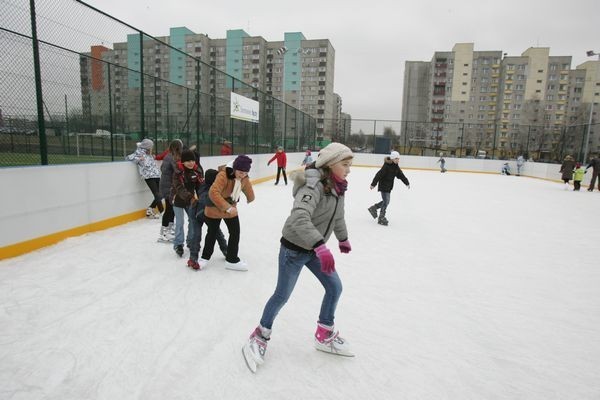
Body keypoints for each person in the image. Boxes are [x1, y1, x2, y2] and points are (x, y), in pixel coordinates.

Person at [242, 143, 355, 373]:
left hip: (314, 248)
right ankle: (260, 334)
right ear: (331, 164)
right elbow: (299, 217)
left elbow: (338, 216)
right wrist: (321, 246)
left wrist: (342, 238)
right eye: (345, 164)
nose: (349, 170)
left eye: (349, 165)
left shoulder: (338, 186)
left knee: (335, 287)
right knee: (282, 295)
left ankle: (324, 331)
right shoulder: (312, 186)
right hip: (294, 250)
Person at [199, 155, 255, 271]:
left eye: (245, 173)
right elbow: (213, 192)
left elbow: (247, 186)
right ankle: (204, 258)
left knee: (235, 232)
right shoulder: (223, 175)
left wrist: (251, 197)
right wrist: (228, 208)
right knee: (212, 233)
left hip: (230, 208)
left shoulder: (244, 177)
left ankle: (231, 259)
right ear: (234, 169)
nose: (242, 175)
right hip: (215, 208)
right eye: (240, 172)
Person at [186, 169, 228, 270]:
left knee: (216, 232)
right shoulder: (206, 189)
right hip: (197, 214)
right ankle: (193, 257)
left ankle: (226, 250)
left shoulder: (210, 185)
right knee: (196, 236)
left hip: (207, 214)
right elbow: (207, 199)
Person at [171, 149, 203, 258]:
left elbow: (199, 187)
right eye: (188, 161)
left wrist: (203, 197)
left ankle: (190, 242)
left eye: (192, 160)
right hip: (178, 200)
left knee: (192, 221)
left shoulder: (196, 171)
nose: (191, 163)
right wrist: (191, 198)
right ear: (183, 162)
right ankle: (178, 244)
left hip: (190, 201)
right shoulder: (178, 173)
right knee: (180, 223)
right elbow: (180, 188)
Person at [367, 151, 410, 226]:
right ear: (393, 158)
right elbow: (378, 175)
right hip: (383, 186)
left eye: (398, 159)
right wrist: (373, 184)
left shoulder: (396, 166)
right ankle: (381, 217)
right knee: (386, 201)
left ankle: (374, 208)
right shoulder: (386, 166)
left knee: (386, 201)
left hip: (389, 186)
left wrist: (406, 182)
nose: (398, 160)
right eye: (396, 159)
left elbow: (401, 175)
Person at [125, 138, 163, 219]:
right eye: (151, 146)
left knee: (161, 193)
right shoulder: (139, 152)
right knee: (157, 194)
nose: (152, 148)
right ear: (147, 146)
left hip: (156, 174)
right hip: (148, 176)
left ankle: (150, 210)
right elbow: (128, 157)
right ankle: (162, 211)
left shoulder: (148, 153)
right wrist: (138, 159)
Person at [157, 139, 182, 242]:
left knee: (172, 208)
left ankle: (169, 228)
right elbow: (178, 170)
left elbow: (162, 168)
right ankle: (163, 232)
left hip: (168, 185)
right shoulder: (171, 157)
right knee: (169, 209)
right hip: (168, 186)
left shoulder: (170, 155)